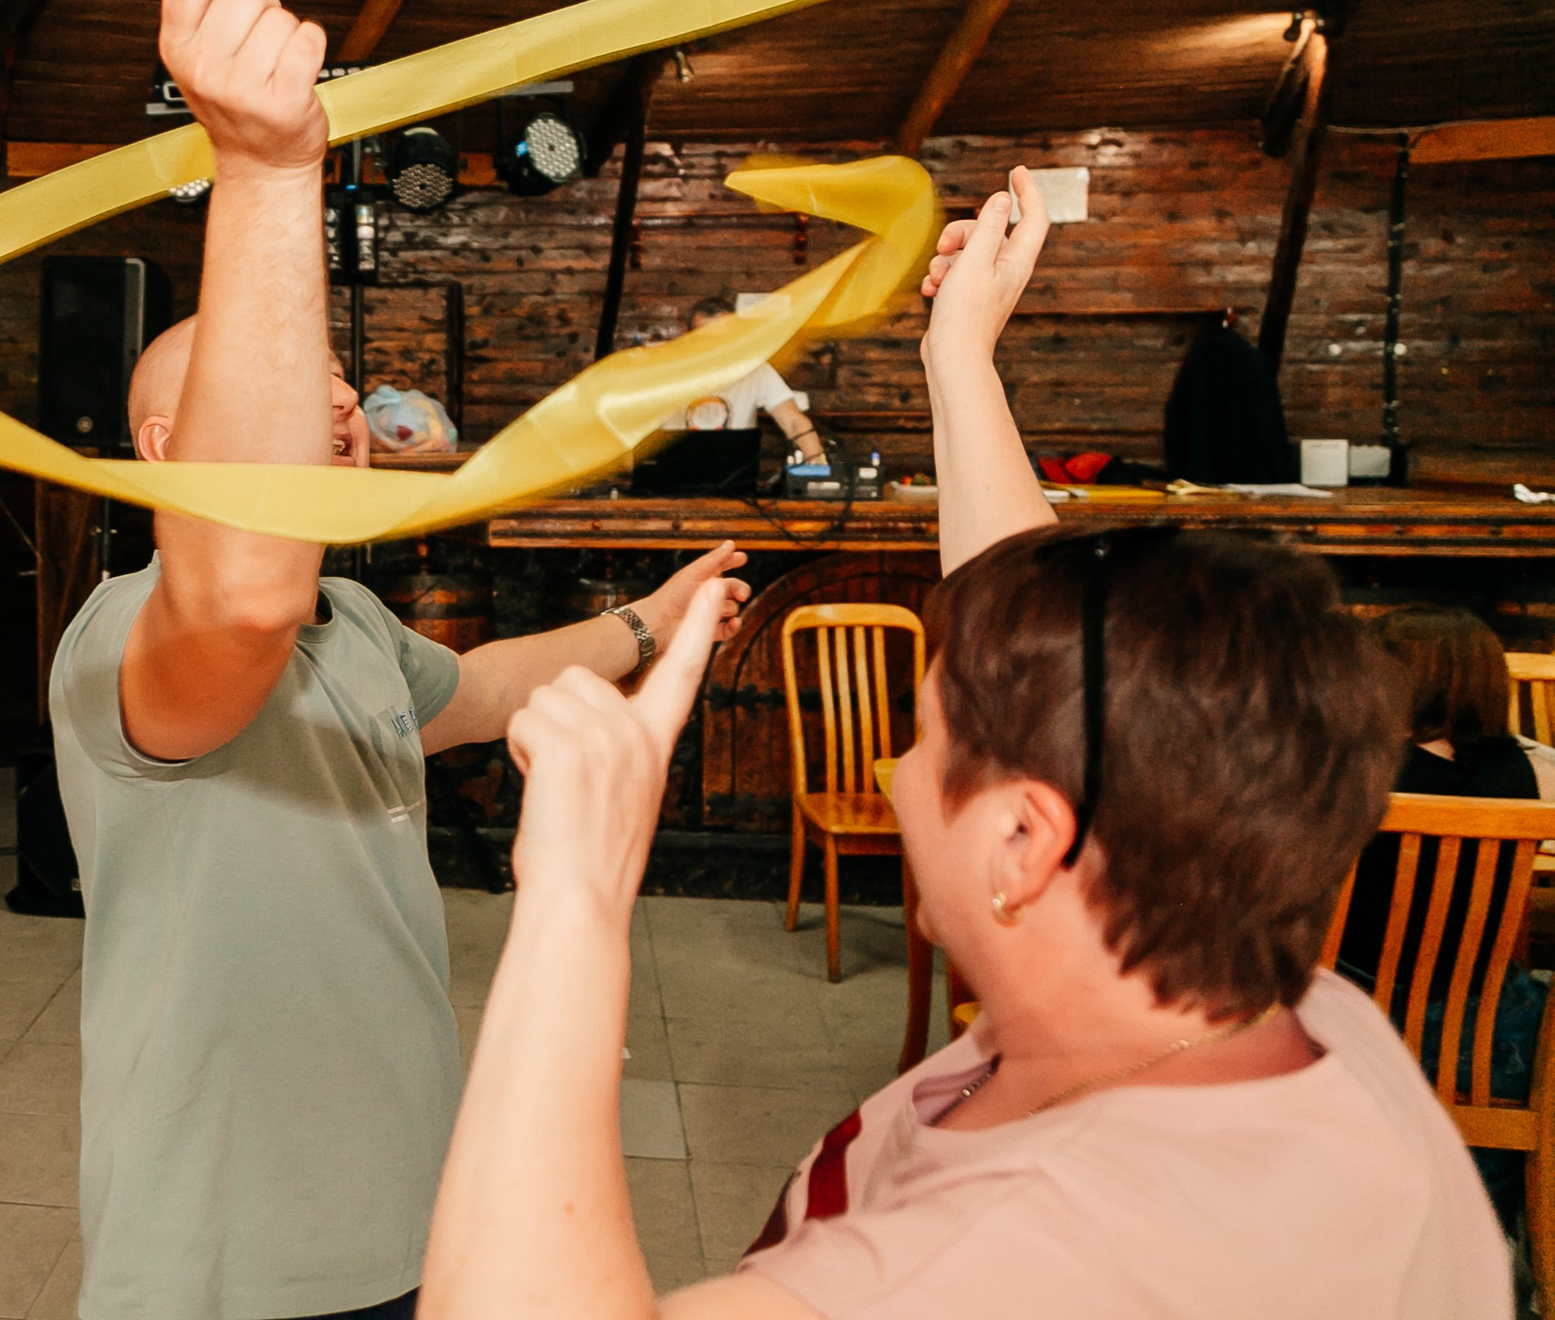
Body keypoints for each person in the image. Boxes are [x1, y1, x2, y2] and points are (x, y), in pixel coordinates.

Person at [417, 168, 1508, 1318]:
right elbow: (1045, 653)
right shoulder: (1295, 1014)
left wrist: (576, 900)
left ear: (1024, 839)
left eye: (924, 739)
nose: (893, 771)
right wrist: (958, 359)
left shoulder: (1018, 1255)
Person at [46, 0, 750, 1320]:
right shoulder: (121, 639)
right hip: (231, 1260)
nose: (342, 412)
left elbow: (475, 692)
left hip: (429, 1215)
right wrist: (261, 169)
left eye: (341, 390)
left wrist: (640, 622)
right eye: (284, 390)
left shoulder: (355, 618)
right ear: (162, 443)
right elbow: (240, 584)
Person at [1337, 605, 1543, 1239]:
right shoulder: (1516, 769)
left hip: (1364, 1007)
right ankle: (1490, 1241)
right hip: (1488, 1021)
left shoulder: (1365, 772)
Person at [666, 294, 824, 466]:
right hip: (666, 478)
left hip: (733, 479)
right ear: (686, 336)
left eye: (721, 339)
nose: (714, 347)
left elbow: (794, 422)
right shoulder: (666, 370)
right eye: (704, 339)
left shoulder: (755, 370)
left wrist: (818, 466)